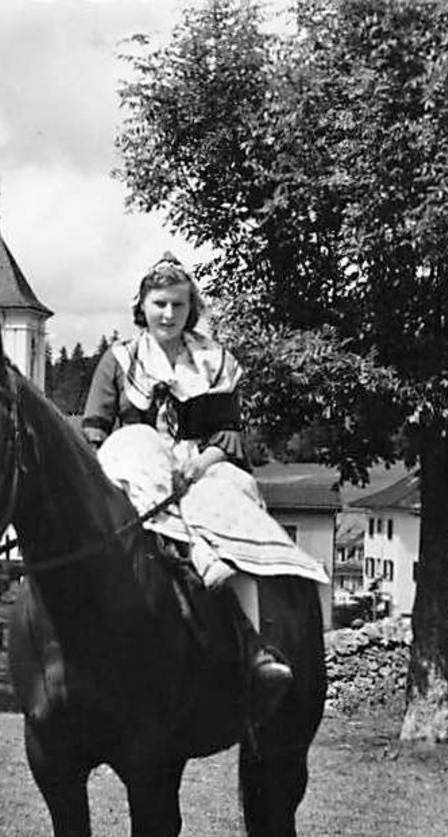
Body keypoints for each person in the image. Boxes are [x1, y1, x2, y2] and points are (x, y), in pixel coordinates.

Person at [82, 252, 294, 720]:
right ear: (142, 305)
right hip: (135, 461)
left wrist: (200, 465)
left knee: (235, 509)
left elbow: (231, 433)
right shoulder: (119, 361)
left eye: (178, 304)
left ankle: (254, 648)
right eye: (159, 303)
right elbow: (95, 428)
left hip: (203, 461)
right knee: (128, 480)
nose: (168, 314)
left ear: (190, 307)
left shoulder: (215, 361)